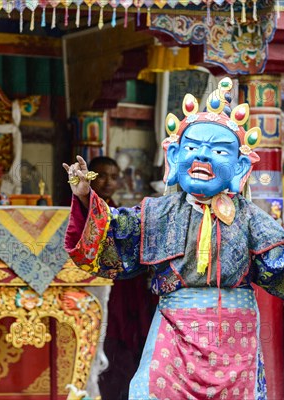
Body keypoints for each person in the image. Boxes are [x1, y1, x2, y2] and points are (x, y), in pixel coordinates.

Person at [62, 78, 284, 399]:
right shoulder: (157, 212)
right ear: (175, 158)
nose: (202, 157)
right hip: (175, 331)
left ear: (239, 166)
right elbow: (117, 228)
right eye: (192, 148)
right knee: (148, 392)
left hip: (236, 337)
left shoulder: (248, 216)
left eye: (218, 150)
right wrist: (84, 198)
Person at [87, 156, 158, 400]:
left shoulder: (118, 213)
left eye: (114, 177)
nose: (108, 182)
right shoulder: (80, 212)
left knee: (123, 355)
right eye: (101, 176)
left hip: (124, 294)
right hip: (95, 293)